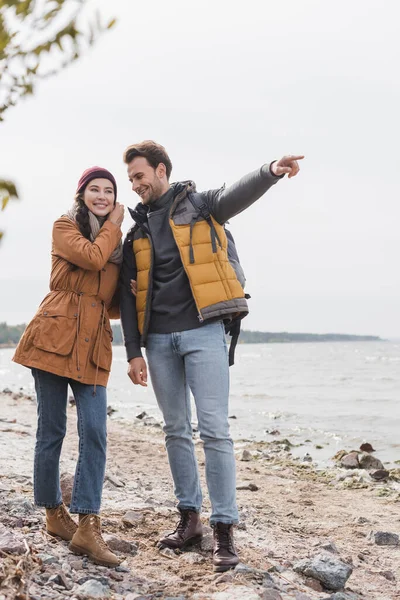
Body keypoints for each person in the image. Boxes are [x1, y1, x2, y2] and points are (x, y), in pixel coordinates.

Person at [119, 141, 303, 572]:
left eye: (139, 176)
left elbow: (237, 193)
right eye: (130, 179)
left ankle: (223, 527)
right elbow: (126, 300)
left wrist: (271, 169)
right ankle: (189, 519)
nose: (135, 185)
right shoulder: (137, 231)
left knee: (216, 432)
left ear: (161, 171)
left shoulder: (201, 205)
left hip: (204, 333)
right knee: (175, 430)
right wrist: (132, 351)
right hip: (159, 341)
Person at [13, 167, 124, 567]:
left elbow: (107, 302)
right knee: (52, 429)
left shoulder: (118, 243)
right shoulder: (65, 226)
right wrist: (114, 225)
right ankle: (53, 513)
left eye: (108, 191)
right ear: (82, 195)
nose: (102, 195)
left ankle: (88, 524)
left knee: (95, 431)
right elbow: (93, 259)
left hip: (93, 346)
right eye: (94, 189)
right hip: (53, 338)